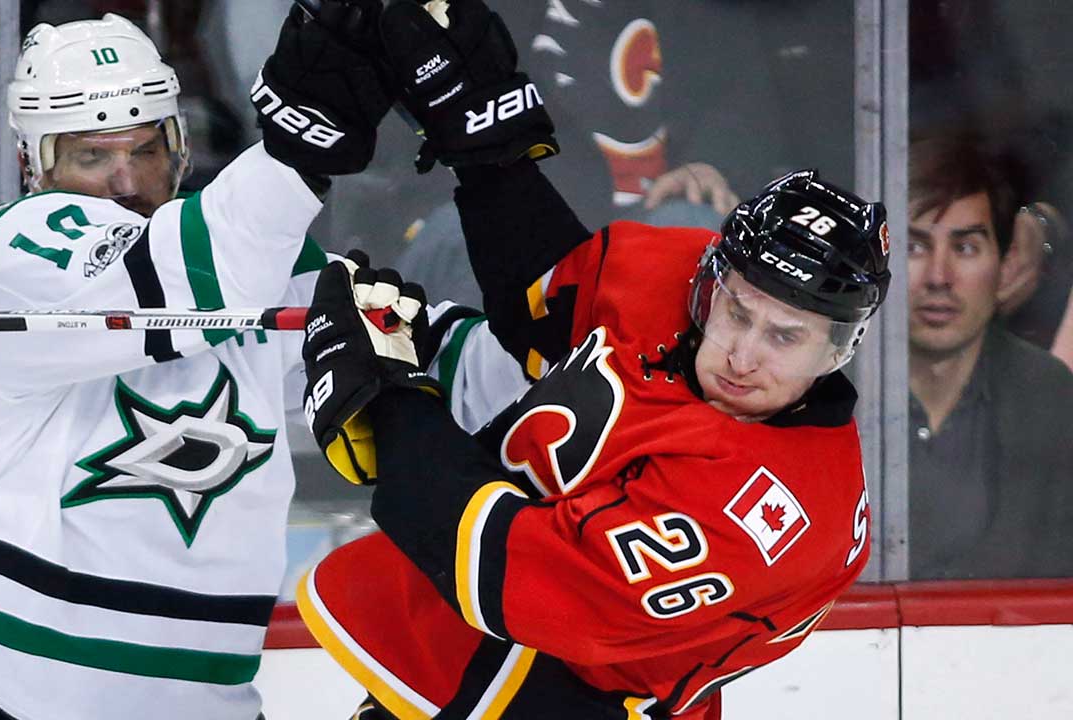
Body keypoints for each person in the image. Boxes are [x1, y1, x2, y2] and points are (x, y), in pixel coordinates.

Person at [292, 1, 893, 717]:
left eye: (784, 337)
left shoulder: (781, 515)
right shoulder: (679, 282)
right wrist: (489, 151)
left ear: (840, 350)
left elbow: (508, 570)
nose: (741, 353)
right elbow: (545, 300)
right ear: (713, 280)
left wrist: (390, 401)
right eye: (737, 311)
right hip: (459, 644)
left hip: (576, 694)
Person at [0, 6, 395, 719]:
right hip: (9, 680)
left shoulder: (259, 259)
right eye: (92, 156)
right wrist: (298, 146)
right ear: (36, 162)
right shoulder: (17, 252)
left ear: (179, 145)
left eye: (144, 150)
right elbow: (179, 280)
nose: (125, 181)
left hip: (202, 696)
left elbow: (431, 363)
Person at [905, 136, 1073, 580]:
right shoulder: (827, 396)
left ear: (1005, 263)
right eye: (915, 247)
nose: (939, 277)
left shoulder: (1054, 400)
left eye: (965, 248)